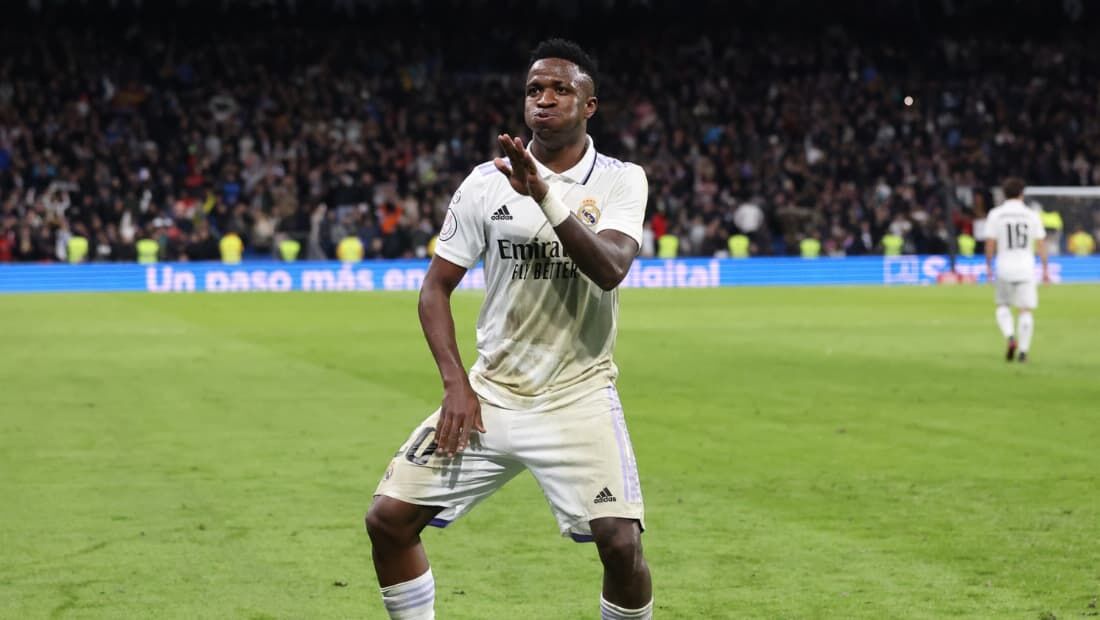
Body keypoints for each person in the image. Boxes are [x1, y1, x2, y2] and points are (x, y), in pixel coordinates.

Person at [365, 39, 653, 620]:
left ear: (589, 104)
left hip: (578, 397)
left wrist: (543, 194)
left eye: (560, 89)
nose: (543, 100)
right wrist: (454, 384)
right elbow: (434, 288)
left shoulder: (622, 181)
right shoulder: (484, 183)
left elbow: (609, 269)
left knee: (621, 546)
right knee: (388, 521)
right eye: (533, 90)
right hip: (490, 397)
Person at [984, 177, 1049, 362]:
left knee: (1003, 306)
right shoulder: (1031, 214)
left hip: (1004, 266)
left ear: (1004, 194)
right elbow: (1040, 243)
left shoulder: (996, 214)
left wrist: (988, 266)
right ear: (1022, 193)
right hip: (1026, 267)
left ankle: (1010, 337)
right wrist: (1045, 270)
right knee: (1025, 310)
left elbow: (990, 243)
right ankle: (1023, 352)